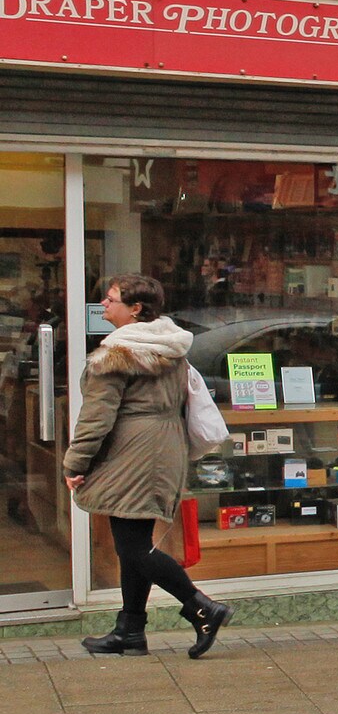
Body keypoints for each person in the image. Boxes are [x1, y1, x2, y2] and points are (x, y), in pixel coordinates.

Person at [63, 274, 231, 658]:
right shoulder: (171, 347)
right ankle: (130, 632)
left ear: (135, 309)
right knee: (133, 543)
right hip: (164, 446)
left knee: (133, 546)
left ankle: (202, 607)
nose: (103, 305)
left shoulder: (115, 355)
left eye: (111, 299)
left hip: (132, 452)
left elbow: (96, 418)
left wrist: (75, 462)